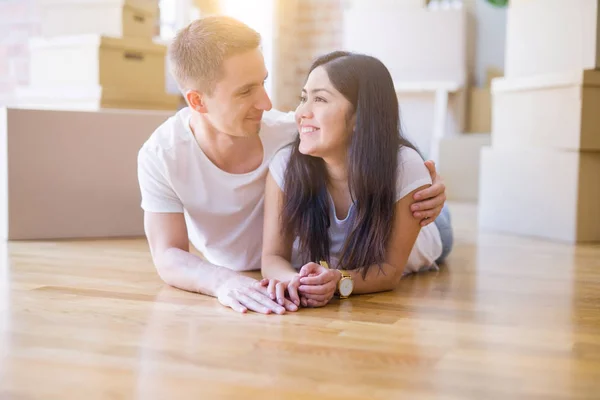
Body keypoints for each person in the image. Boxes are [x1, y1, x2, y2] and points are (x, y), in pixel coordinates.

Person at [137, 16, 448, 315]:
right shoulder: (161, 155)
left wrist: (425, 186)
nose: (267, 103)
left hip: (396, 235)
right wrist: (225, 281)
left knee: (440, 223)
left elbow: (379, 142)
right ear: (197, 102)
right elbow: (167, 254)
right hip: (311, 260)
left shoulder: (295, 133)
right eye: (246, 91)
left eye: (263, 83)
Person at [261, 51, 454, 308]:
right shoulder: (286, 164)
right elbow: (273, 256)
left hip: (427, 233)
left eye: (319, 99)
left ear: (359, 116)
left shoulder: (405, 166)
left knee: (439, 218)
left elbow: (389, 271)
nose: (301, 112)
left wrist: (338, 281)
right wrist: (296, 281)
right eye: (303, 98)